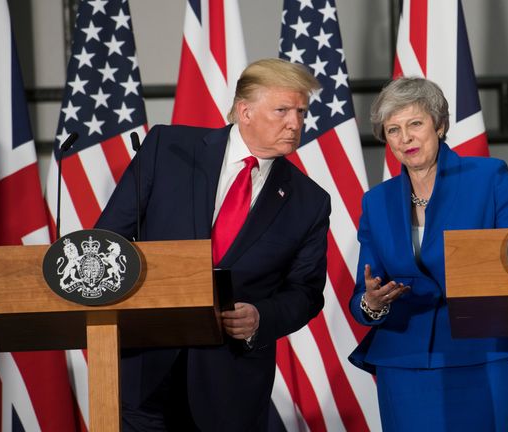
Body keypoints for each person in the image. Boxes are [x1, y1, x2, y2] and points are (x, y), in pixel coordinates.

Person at [95, 58, 331, 431]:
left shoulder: (309, 201)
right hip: (144, 368)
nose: (295, 123)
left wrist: (261, 317)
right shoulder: (168, 148)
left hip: (229, 385)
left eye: (301, 111)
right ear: (245, 111)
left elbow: (305, 292)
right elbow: (109, 240)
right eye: (283, 110)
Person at [348, 77, 508, 431]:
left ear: (439, 125)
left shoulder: (488, 177)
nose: (405, 138)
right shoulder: (376, 202)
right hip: (403, 359)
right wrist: (373, 303)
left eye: (415, 124)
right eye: (393, 130)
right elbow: (364, 292)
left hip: (480, 349)